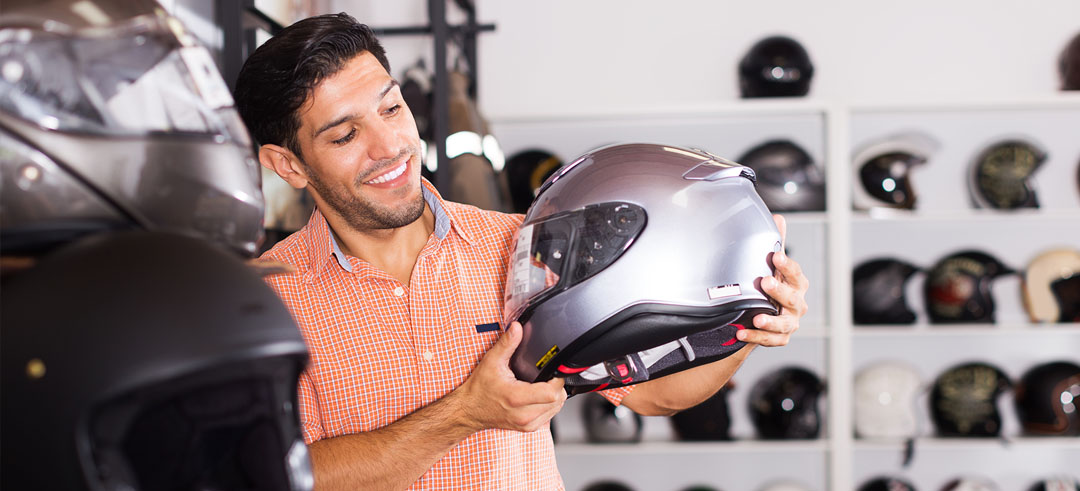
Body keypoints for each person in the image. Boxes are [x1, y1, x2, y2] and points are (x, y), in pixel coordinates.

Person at [234, 12, 809, 490]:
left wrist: (750, 324)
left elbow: (653, 395)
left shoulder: (525, 244)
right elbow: (275, 478)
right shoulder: (259, 300)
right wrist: (462, 413)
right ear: (286, 164)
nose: (390, 147)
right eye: (344, 135)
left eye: (391, 109)